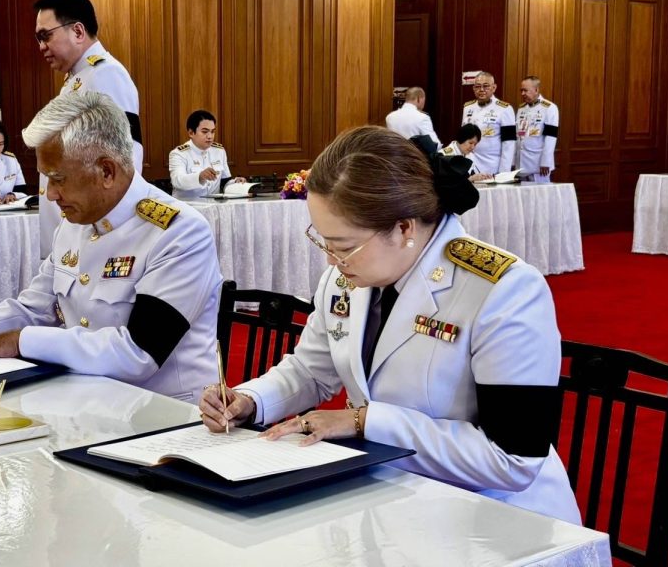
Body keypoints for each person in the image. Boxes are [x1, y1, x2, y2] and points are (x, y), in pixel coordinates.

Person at [199, 126, 580, 523]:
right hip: (389, 497)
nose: (331, 261)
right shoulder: (348, 278)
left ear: (403, 228)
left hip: (493, 514)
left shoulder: (502, 289)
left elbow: (513, 460)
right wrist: (250, 401)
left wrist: (365, 422)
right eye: (324, 242)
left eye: (344, 247)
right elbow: (311, 370)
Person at [0, 92, 222, 403]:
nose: (51, 195)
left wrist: (21, 341)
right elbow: (32, 310)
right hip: (87, 402)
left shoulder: (178, 232)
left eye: (58, 179)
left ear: (106, 171)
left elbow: (138, 353)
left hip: (165, 416)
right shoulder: (76, 222)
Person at [33, 0, 142, 259]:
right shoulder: (78, 79)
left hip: (95, 236)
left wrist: (107, 235)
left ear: (78, 31)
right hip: (73, 230)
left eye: (46, 36)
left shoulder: (106, 74)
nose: (41, 46)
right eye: (38, 38)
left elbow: (124, 161)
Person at [168, 110, 245, 200]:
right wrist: (200, 177)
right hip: (188, 205)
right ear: (191, 133)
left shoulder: (219, 151)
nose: (210, 136)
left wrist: (235, 183)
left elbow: (224, 182)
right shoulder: (179, 154)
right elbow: (177, 181)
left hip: (213, 205)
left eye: (212, 132)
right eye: (205, 132)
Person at [461, 72, 516, 176]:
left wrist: (504, 172)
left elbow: (509, 143)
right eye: (478, 86)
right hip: (470, 163)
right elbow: (463, 139)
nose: (481, 90)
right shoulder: (468, 107)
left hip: (492, 166)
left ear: (494, 88)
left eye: (486, 86)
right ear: (473, 88)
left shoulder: (505, 109)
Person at [516, 76, 559, 184]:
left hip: (538, 165)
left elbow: (551, 137)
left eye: (525, 90)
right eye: (521, 90)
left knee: (540, 194)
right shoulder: (522, 108)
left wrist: (546, 161)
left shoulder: (549, 108)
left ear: (536, 90)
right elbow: (518, 135)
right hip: (521, 164)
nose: (522, 94)